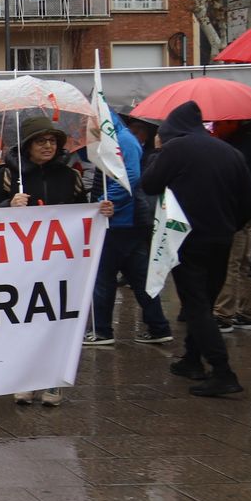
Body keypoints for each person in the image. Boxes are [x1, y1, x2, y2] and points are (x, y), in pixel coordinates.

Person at [139, 99, 251, 397]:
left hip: (187, 239)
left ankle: (222, 371)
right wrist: (230, 225)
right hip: (222, 238)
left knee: (196, 305)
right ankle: (191, 360)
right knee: (204, 301)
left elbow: (149, 184)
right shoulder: (231, 152)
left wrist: (156, 151)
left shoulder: (175, 149)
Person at [0, 117, 114, 406]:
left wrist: (101, 212)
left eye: (52, 141)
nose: (48, 146)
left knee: (57, 322)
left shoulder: (70, 177)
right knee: (24, 320)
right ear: (28, 146)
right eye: (40, 141)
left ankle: (53, 381)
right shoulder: (9, 177)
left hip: (60, 264)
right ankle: (25, 379)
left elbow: (80, 216)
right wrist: (8, 205)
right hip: (21, 264)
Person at [83, 110, 171, 349]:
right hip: (125, 220)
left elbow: (130, 177)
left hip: (120, 221)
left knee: (104, 277)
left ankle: (102, 331)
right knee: (139, 277)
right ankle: (158, 326)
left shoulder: (123, 141)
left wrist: (103, 201)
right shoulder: (117, 139)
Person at [211, 117, 251, 332]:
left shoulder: (244, 144)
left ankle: (223, 314)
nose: (215, 127)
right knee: (245, 264)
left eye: (220, 124)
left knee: (231, 263)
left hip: (238, 211)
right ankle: (249, 312)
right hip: (250, 209)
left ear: (234, 122)